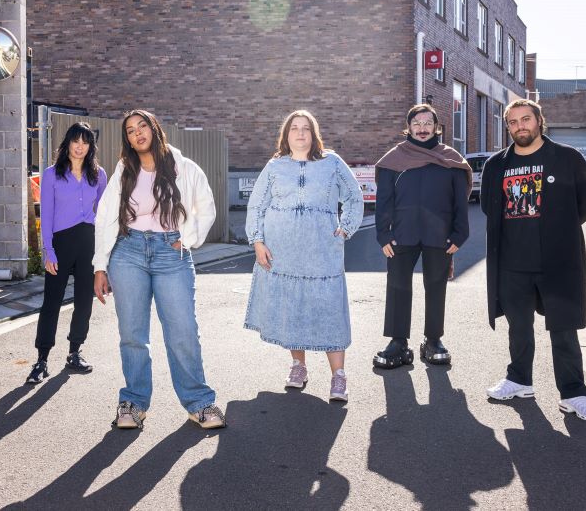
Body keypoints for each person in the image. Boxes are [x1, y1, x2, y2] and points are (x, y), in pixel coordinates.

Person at [92, 110, 225, 429]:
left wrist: (188, 238)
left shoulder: (183, 166)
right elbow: (106, 217)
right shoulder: (125, 169)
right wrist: (100, 266)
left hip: (171, 254)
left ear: (154, 129)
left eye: (142, 126)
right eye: (130, 130)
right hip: (128, 252)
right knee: (132, 334)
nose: (137, 133)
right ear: (127, 138)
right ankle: (133, 405)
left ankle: (200, 403)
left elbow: (206, 206)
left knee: (183, 331)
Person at [481, 99, 586, 422]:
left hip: (557, 260)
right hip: (512, 261)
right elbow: (488, 208)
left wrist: (556, 230)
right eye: (513, 122)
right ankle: (519, 380)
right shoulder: (496, 165)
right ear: (507, 127)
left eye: (526, 119)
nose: (520, 126)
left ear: (539, 121)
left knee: (564, 329)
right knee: (518, 327)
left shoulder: (566, 158)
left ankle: (574, 394)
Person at [244, 110, 364, 402]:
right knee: (291, 308)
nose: (299, 134)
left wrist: (345, 229)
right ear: (286, 135)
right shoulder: (274, 166)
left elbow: (354, 196)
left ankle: (338, 377)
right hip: (282, 252)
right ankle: (299, 365)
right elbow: (256, 205)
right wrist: (257, 241)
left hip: (322, 252)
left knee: (329, 310)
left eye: (305, 129)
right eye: (294, 129)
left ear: (314, 134)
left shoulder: (331, 163)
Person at [373, 104, 471, 369]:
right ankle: (398, 343)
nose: (423, 128)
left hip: (439, 237)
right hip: (401, 237)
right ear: (408, 127)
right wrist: (383, 235)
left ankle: (433, 340)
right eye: (417, 123)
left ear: (437, 127)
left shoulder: (450, 159)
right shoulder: (395, 159)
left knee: (436, 287)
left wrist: (459, 235)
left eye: (428, 123)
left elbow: (460, 203)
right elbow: (384, 201)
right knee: (398, 287)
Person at [25, 123, 108, 384]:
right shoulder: (51, 174)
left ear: (90, 146)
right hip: (61, 243)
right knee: (52, 301)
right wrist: (48, 250)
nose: (80, 145)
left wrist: (105, 256)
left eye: (85, 141)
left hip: (89, 242)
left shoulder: (99, 175)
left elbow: (104, 217)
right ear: (68, 144)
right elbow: (46, 215)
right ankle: (41, 359)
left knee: (85, 300)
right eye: (76, 141)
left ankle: (74, 352)